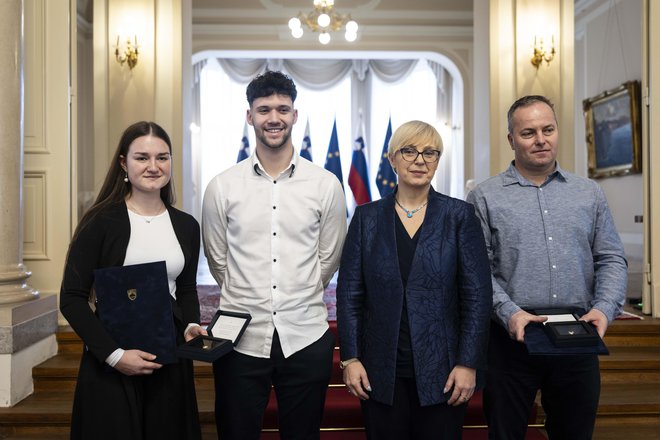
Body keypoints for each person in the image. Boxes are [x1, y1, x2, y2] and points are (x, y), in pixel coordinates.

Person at [466, 95, 628, 440]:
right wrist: (510, 314)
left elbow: (611, 258)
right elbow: (477, 271)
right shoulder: (485, 197)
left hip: (577, 338)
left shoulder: (589, 193)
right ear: (511, 140)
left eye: (548, 129)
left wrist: (603, 309)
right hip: (511, 342)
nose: (541, 139)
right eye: (528, 132)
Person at [202, 70, 347, 440]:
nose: (274, 118)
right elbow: (218, 260)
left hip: (306, 335)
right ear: (249, 116)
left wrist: (298, 293)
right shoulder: (222, 186)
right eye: (264, 109)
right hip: (239, 340)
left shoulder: (325, 184)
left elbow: (329, 258)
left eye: (283, 109)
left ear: (295, 115)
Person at [336, 120, 493, 440]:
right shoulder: (366, 218)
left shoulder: (459, 216)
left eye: (430, 152)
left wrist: (468, 363)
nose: (420, 160)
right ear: (392, 159)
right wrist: (350, 357)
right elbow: (350, 293)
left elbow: (477, 296)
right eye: (409, 151)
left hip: (445, 370)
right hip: (379, 369)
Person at [60, 121, 206, 440]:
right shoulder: (100, 222)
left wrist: (190, 325)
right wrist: (115, 356)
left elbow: (185, 289)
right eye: (142, 158)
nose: (153, 166)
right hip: (112, 360)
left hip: (169, 360)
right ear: (124, 163)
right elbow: (71, 298)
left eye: (162, 157)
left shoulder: (186, 226)